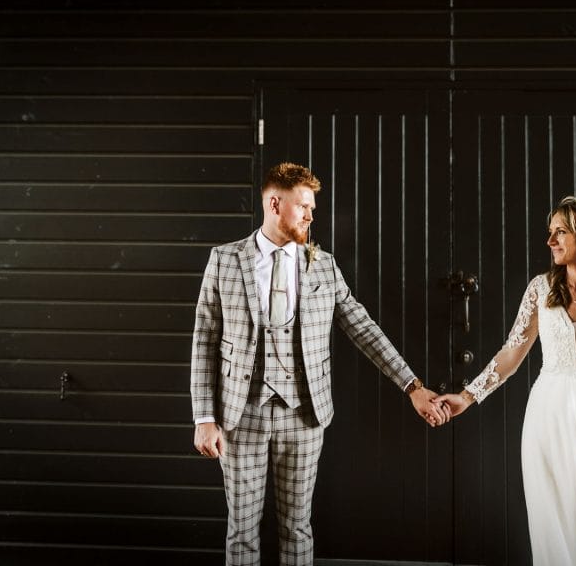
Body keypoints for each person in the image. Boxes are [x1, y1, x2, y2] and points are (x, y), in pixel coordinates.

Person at [190, 162, 450, 566]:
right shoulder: (225, 261)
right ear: (275, 204)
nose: (311, 216)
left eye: (312, 207)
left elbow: (363, 328)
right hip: (241, 415)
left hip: (305, 415)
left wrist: (412, 386)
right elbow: (203, 339)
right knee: (241, 532)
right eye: (303, 206)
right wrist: (204, 416)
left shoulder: (323, 265)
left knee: (297, 528)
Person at [435, 195, 576, 565]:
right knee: (556, 526)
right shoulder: (541, 289)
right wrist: (468, 395)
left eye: (560, 232)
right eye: (550, 232)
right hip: (548, 420)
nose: (550, 241)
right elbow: (511, 353)